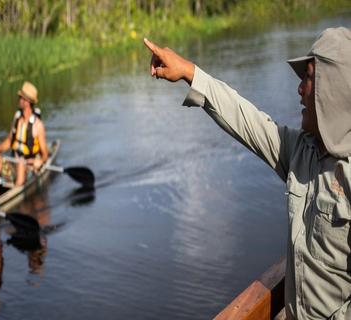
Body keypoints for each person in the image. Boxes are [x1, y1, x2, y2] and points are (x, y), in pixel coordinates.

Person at [144, 27, 351, 320]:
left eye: (308, 77)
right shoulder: (300, 151)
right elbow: (247, 120)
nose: (299, 89)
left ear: (333, 90)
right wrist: (190, 72)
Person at [0, 81, 49, 186]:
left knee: (21, 164)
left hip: (28, 167)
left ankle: (16, 191)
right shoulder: (17, 117)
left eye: (21, 98)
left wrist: (40, 161)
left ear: (27, 101)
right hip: (14, 162)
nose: (19, 100)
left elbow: (45, 154)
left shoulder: (38, 125)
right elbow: (10, 141)